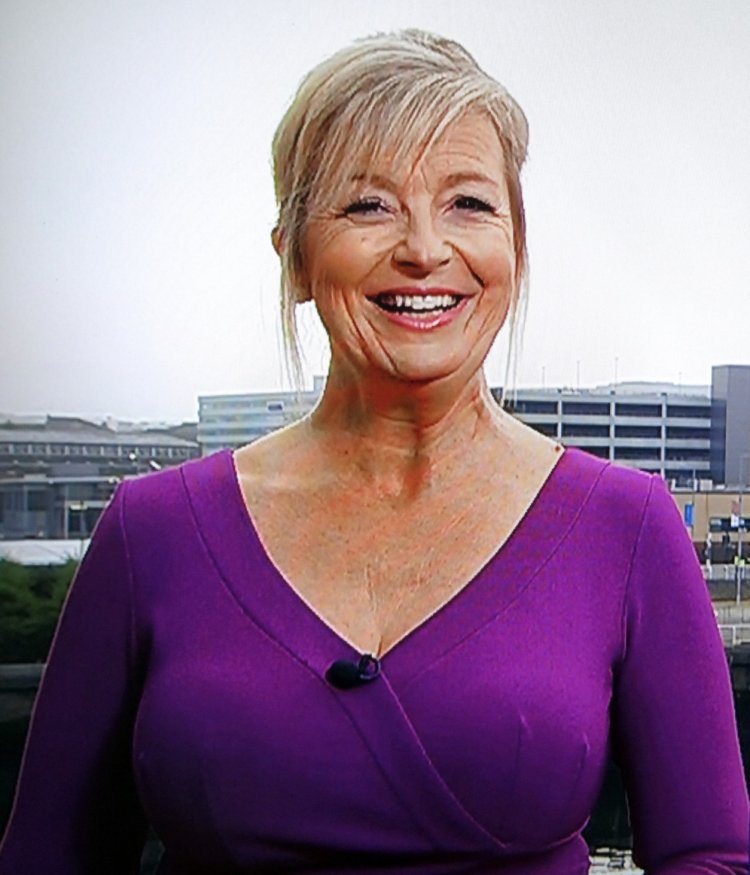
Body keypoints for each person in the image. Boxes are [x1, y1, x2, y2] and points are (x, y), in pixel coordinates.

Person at [1, 28, 748, 875]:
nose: (425, 249)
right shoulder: (151, 532)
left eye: (469, 204)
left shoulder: (629, 526)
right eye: (368, 206)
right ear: (294, 258)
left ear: (516, 247)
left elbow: (713, 856)